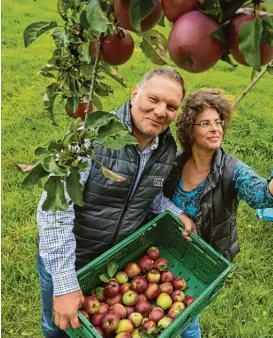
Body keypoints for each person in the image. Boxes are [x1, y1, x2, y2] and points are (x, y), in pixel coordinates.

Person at [36, 67, 197, 338]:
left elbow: (149, 193)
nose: (161, 112)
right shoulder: (92, 135)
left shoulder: (166, 148)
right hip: (71, 258)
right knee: (58, 327)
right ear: (135, 93)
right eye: (154, 99)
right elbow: (55, 208)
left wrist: (175, 212)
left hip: (115, 262)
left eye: (171, 106)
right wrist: (64, 283)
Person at [164, 88, 273, 338]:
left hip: (205, 259)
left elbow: (265, 196)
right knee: (165, 309)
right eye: (205, 123)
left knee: (186, 313)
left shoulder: (231, 170)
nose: (215, 128)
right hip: (167, 250)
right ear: (190, 130)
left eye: (218, 122)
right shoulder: (175, 162)